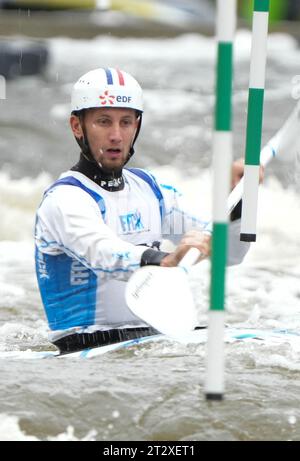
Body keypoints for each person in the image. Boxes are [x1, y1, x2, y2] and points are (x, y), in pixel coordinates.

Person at [35, 67, 250, 354]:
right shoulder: (64, 199)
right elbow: (104, 254)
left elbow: (230, 254)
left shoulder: (151, 190)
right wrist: (167, 259)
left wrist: (239, 200)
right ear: (77, 126)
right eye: (103, 122)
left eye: (126, 122)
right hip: (86, 345)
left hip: (153, 338)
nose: (116, 135)